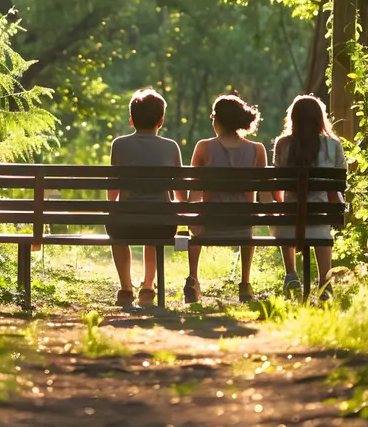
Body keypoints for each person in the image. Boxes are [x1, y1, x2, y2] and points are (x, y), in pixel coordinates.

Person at [185, 93, 267, 304]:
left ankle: (193, 279)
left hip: (209, 226)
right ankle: (246, 284)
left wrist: (190, 218)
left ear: (218, 119)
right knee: (248, 222)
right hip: (242, 226)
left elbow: (193, 196)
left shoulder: (203, 147)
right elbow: (265, 198)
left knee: (196, 218)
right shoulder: (257, 150)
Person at [107, 88, 182, 308]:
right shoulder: (171, 147)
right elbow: (180, 193)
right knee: (154, 223)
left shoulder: (119, 145)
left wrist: (112, 209)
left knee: (116, 224)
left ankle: (125, 288)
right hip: (162, 225)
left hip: (125, 224)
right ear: (161, 120)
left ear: (131, 120)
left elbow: (113, 189)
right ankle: (148, 287)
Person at [273, 94, 347, 302]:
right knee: (321, 222)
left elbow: (277, 186)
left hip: (290, 221)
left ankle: (291, 275)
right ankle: (325, 282)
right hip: (319, 221)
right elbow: (336, 187)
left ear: (293, 118)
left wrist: (283, 208)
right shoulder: (333, 145)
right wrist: (337, 210)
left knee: (284, 212)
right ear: (320, 118)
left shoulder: (283, 144)